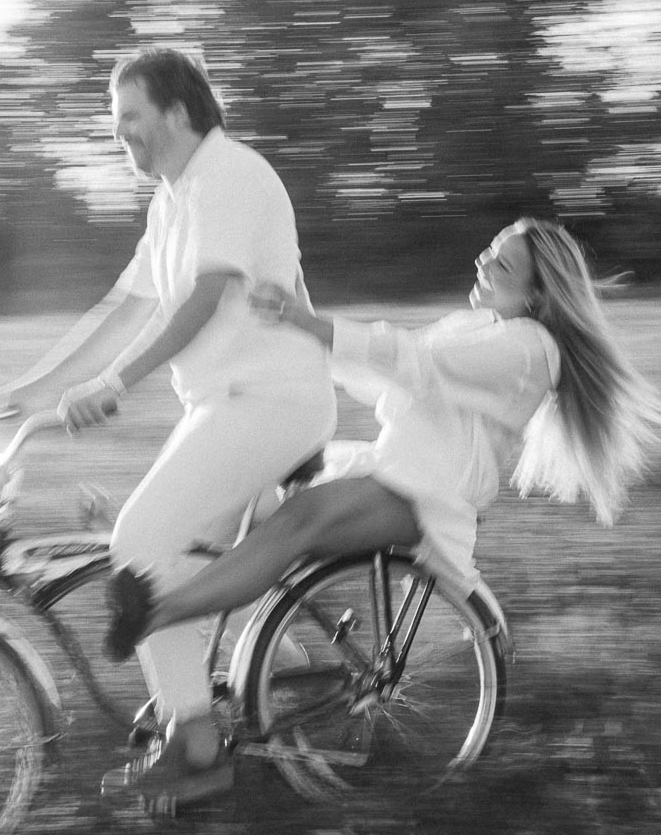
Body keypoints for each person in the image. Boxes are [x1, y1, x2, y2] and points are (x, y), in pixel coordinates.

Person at [0, 47, 337, 805]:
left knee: (139, 541)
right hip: (225, 405)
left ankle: (195, 742)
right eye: (117, 124)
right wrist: (32, 387)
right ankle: (277, 678)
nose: (121, 137)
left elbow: (205, 297)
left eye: (130, 119)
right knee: (189, 561)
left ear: (177, 112)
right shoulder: (172, 199)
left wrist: (113, 384)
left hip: (270, 400)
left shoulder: (228, 174)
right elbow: (124, 307)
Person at [107, 218, 661, 669]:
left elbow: (412, 360)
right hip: (391, 469)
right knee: (242, 505)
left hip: (425, 494)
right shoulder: (477, 325)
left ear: (537, 294)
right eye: (490, 250)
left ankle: (156, 612)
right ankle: (277, 657)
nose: (482, 262)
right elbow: (385, 374)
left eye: (502, 264)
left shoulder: (529, 348)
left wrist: (309, 322)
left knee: (300, 519)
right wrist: (298, 330)